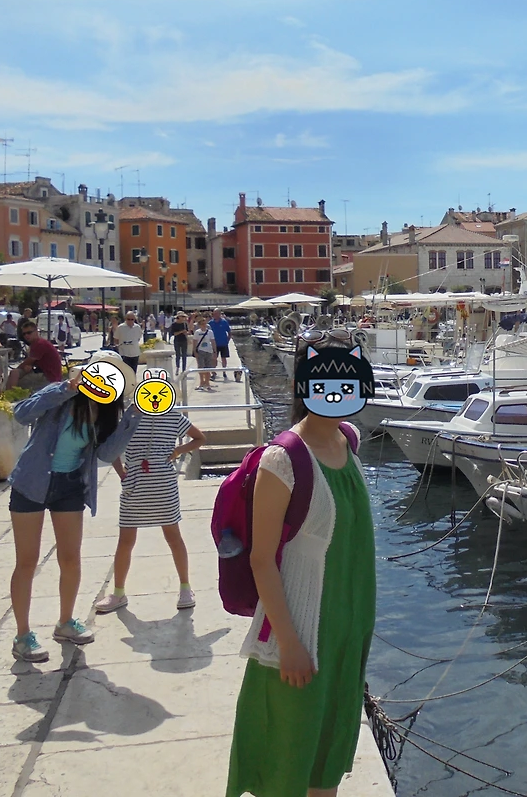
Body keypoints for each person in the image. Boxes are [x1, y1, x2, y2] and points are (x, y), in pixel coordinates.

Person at [226, 333, 375, 797]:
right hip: (304, 632)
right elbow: (261, 560)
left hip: (347, 632)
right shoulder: (282, 460)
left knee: (325, 758)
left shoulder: (348, 442)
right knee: (288, 758)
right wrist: (289, 643)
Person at [5, 357, 140, 662]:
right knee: (27, 562)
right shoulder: (61, 393)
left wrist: (133, 417)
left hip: (69, 486)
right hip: (32, 481)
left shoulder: (107, 410)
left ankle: (65, 623)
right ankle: (22, 636)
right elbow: (21, 414)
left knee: (71, 559)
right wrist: (67, 388)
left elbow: (106, 453)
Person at [93, 399, 206, 615]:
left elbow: (200, 438)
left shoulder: (172, 415)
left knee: (173, 536)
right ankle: (118, 592)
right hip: (134, 484)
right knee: (126, 540)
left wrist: (177, 451)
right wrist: (122, 475)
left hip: (163, 484)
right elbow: (111, 447)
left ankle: (185, 588)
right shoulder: (128, 416)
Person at [8, 319, 63, 392]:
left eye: (29, 333)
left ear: (36, 332)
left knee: (18, 381)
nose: (26, 335)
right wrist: (28, 367)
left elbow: (27, 362)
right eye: (24, 334)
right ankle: (9, 394)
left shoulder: (40, 344)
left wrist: (24, 367)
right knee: (14, 373)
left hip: (50, 378)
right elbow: (31, 363)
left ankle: (10, 395)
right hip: (44, 373)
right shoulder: (36, 343)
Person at [192, 316, 217, 391]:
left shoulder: (210, 332)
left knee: (208, 368)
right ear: (199, 325)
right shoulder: (197, 332)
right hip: (200, 351)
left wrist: (214, 351)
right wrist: (195, 352)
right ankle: (201, 383)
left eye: (205, 323)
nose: (204, 325)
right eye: (202, 324)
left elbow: (213, 341)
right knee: (201, 368)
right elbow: (194, 342)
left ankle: (207, 383)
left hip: (208, 351)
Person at [209, 308, 233, 380]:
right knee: (214, 358)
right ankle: (213, 372)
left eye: (216, 313)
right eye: (214, 313)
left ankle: (224, 371)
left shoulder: (224, 322)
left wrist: (227, 340)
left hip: (223, 343)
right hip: (214, 344)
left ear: (219, 314)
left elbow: (229, 332)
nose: (215, 315)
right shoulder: (210, 323)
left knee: (224, 358)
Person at [170, 311, 190, 376]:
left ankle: (184, 369)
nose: (184, 318)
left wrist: (186, 333)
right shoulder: (174, 324)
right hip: (177, 341)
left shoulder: (185, 324)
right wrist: (181, 331)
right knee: (178, 355)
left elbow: (187, 332)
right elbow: (174, 334)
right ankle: (177, 367)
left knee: (184, 355)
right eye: (182, 317)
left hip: (184, 340)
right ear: (179, 317)